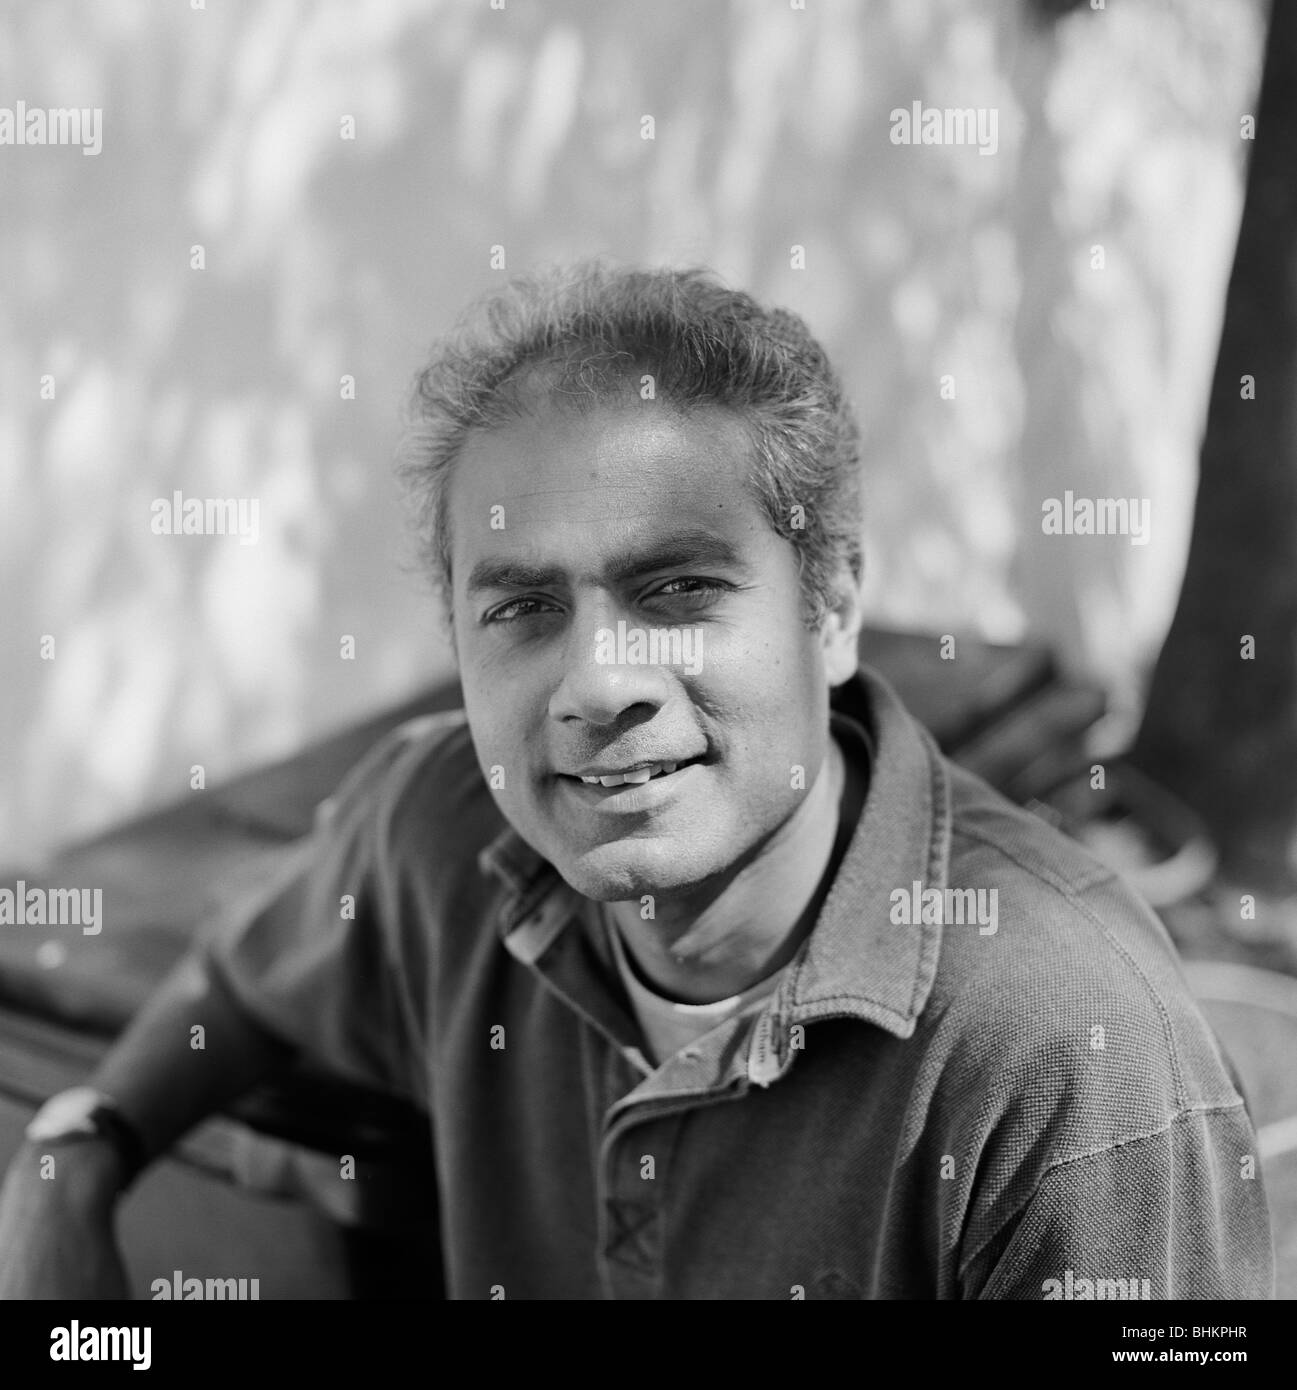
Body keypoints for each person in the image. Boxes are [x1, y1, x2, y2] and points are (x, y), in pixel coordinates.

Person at [0, 263, 1274, 1300]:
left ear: (831, 606)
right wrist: (77, 1159)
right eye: (524, 608)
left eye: (675, 590)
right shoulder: (437, 832)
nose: (596, 682)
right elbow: (240, 982)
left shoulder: (1064, 1053)